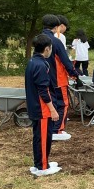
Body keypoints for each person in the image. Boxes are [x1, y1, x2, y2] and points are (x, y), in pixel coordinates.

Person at [25, 34, 61, 177]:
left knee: (39, 137)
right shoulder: (41, 65)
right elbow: (44, 90)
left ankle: (39, 163)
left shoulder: (32, 61)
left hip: (35, 107)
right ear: (47, 49)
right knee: (44, 138)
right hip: (42, 109)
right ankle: (43, 167)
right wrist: (52, 110)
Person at [41, 14, 80, 141]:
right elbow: (66, 61)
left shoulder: (39, 40)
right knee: (62, 104)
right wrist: (74, 74)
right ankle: (57, 130)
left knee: (48, 103)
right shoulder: (56, 41)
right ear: (57, 27)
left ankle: (48, 128)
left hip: (42, 77)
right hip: (57, 79)